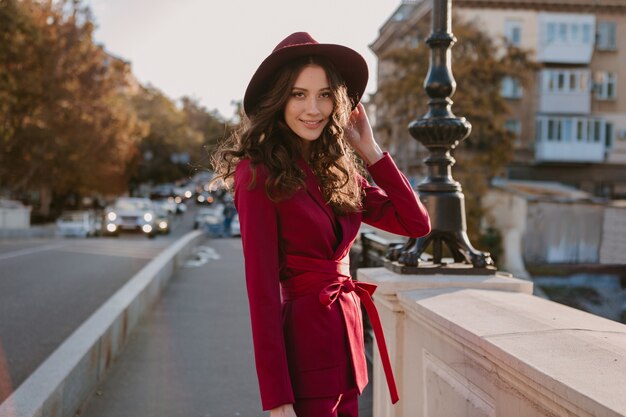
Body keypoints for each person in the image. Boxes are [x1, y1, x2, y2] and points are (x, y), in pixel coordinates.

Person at [211, 32, 431, 417]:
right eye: (298, 94)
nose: (313, 108)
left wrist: (372, 153)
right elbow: (260, 293)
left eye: (324, 94)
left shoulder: (337, 171)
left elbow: (415, 223)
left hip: (347, 357)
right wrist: (277, 399)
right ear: (278, 100)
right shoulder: (257, 173)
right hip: (303, 369)